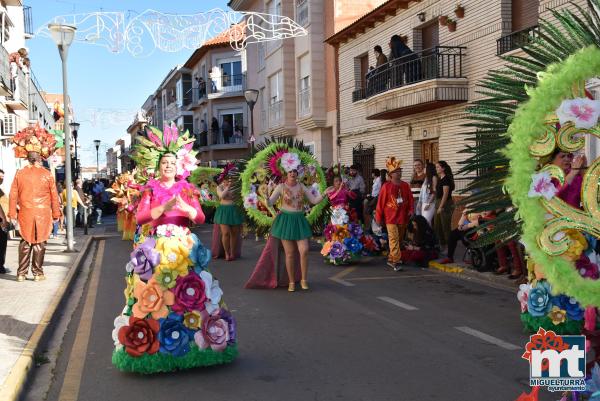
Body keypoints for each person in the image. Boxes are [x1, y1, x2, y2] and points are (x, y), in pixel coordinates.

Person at [112, 123, 237, 373]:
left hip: (183, 243)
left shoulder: (187, 189)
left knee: (190, 290)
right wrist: (164, 209)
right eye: (164, 163)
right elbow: (141, 217)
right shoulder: (150, 188)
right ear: (158, 167)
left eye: (171, 163)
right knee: (156, 291)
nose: (168, 166)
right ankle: (155, 344)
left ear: (178, 165)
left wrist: (185, 207)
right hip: (157, 244)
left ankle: (195, 343)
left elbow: (200, 218)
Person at [8, 125, 60, 282]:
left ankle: (21, 273)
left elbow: (13, 195)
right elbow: (54, 196)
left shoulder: (19, 174)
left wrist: (12, 214)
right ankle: (37, 273)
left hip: (25, 212)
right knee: (39, 243)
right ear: (40, 157)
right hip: (43, 213)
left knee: (25, 241)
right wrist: (56, 214)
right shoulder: (47, 175)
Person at [267, 166, 323, 291]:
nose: (292, 173)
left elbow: (314, 200)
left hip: (299, 220)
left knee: (304, 250)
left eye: (295, 171)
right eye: (290, 171)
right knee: (290, 253)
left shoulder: (302, 186)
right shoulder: (281, 187)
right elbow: (270, 203)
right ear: (286, 173)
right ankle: (291, 282)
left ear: (298, 173)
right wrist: (267, 195)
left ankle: (304, 280)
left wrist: (325, 194)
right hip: (286, 221)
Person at [375, 157, 414, 271]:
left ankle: (392, 258)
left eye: (400, 171)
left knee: (399, 239)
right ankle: (396, 261)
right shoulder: (386, 186)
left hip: (403, 217)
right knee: (393, 238)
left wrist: (411, 210)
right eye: (396, 171)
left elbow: (410, 200)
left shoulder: (405, 185)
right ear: (390, 174)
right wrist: (378, 217)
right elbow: (380, 203)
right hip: (390, 218)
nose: (399, 173)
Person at [214, 165, 244, 261]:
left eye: (231, 179)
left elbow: (242, 197)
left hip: (234, 210)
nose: (229, 181)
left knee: (234, 234)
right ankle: (226, 253)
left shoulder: (236, 187)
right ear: (223, 179)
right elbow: (221, 196)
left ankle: (232, 252)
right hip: (224, 211)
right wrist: (228, 187)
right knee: (225, 233)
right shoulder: (219, 187)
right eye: (227, 179)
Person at [433, 160, 454, 252]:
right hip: (438, 202)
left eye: (438, 167)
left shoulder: (446, 179)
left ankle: (449, 247)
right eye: (436, 167)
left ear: (443, 168)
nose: (436, 169)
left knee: (445, 226)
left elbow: (445, 194)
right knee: (437, 225)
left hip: (445, 204)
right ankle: (442, 245)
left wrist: (441, 207)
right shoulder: (439, 178)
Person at [0, 169, 9, 273]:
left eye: (2, 177)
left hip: (3, 221)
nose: (1, 179)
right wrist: (3, 221)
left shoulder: (1, 190)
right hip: (1, 222)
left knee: (2, 245)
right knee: (1, 245)